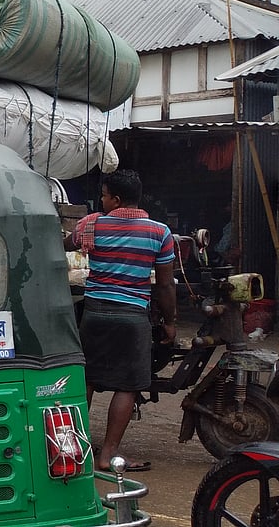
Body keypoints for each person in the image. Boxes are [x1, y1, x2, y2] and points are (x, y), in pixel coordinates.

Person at [63, 169, 175, 473]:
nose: (101, 200)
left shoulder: (92, 224)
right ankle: (107, 454)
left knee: (86, 380)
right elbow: (165, 286)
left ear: (116, 199)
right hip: (133, 317)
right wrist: (170, 321)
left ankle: (72, 449)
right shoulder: (159, 233)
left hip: (96, 314)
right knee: (127, 386)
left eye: (104, 195)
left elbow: (65, 245)